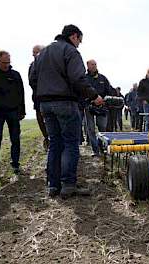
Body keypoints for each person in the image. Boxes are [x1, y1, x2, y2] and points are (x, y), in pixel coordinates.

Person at [29, 24, 104, 198]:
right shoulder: (70, 51)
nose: (79, 44)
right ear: (74, 36)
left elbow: (33, 79)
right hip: (65, 103)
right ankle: (69, 184)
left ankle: (53, 186)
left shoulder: (43, 53)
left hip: (45, 105)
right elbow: (78, 78)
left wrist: (44, 93)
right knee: (71, 143)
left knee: (55, 143)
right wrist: (94, 96)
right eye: (80, 40)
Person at [0, 51, 25, 180]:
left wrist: (22, 110)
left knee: (15, 138)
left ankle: (15, 165)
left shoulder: (15, 75)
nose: (7, 65)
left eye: (8, 62)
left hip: (13, 111)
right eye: (4, 62)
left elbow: (21, 93)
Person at [85, 59, 113, 155]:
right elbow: (81, 92)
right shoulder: (84, 79)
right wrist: (90, 100)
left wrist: (103, 100)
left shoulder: (103, 78)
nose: (94, 66)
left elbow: (109, 91)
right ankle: (95, 150)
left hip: (102, 106)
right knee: (91, 129)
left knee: (102, 128)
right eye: (92, 64)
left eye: (95, 64)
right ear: (87, 66)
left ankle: (102, 148)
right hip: (89, 106)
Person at [29, 45, 49, 151]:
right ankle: (46, 138)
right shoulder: (32, 66)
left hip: (50, 99)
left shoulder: (51, 64)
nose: (33, 54)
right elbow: (31, 82)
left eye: (36, 52)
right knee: (41, 122)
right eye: (33, 52)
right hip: (38, 99)